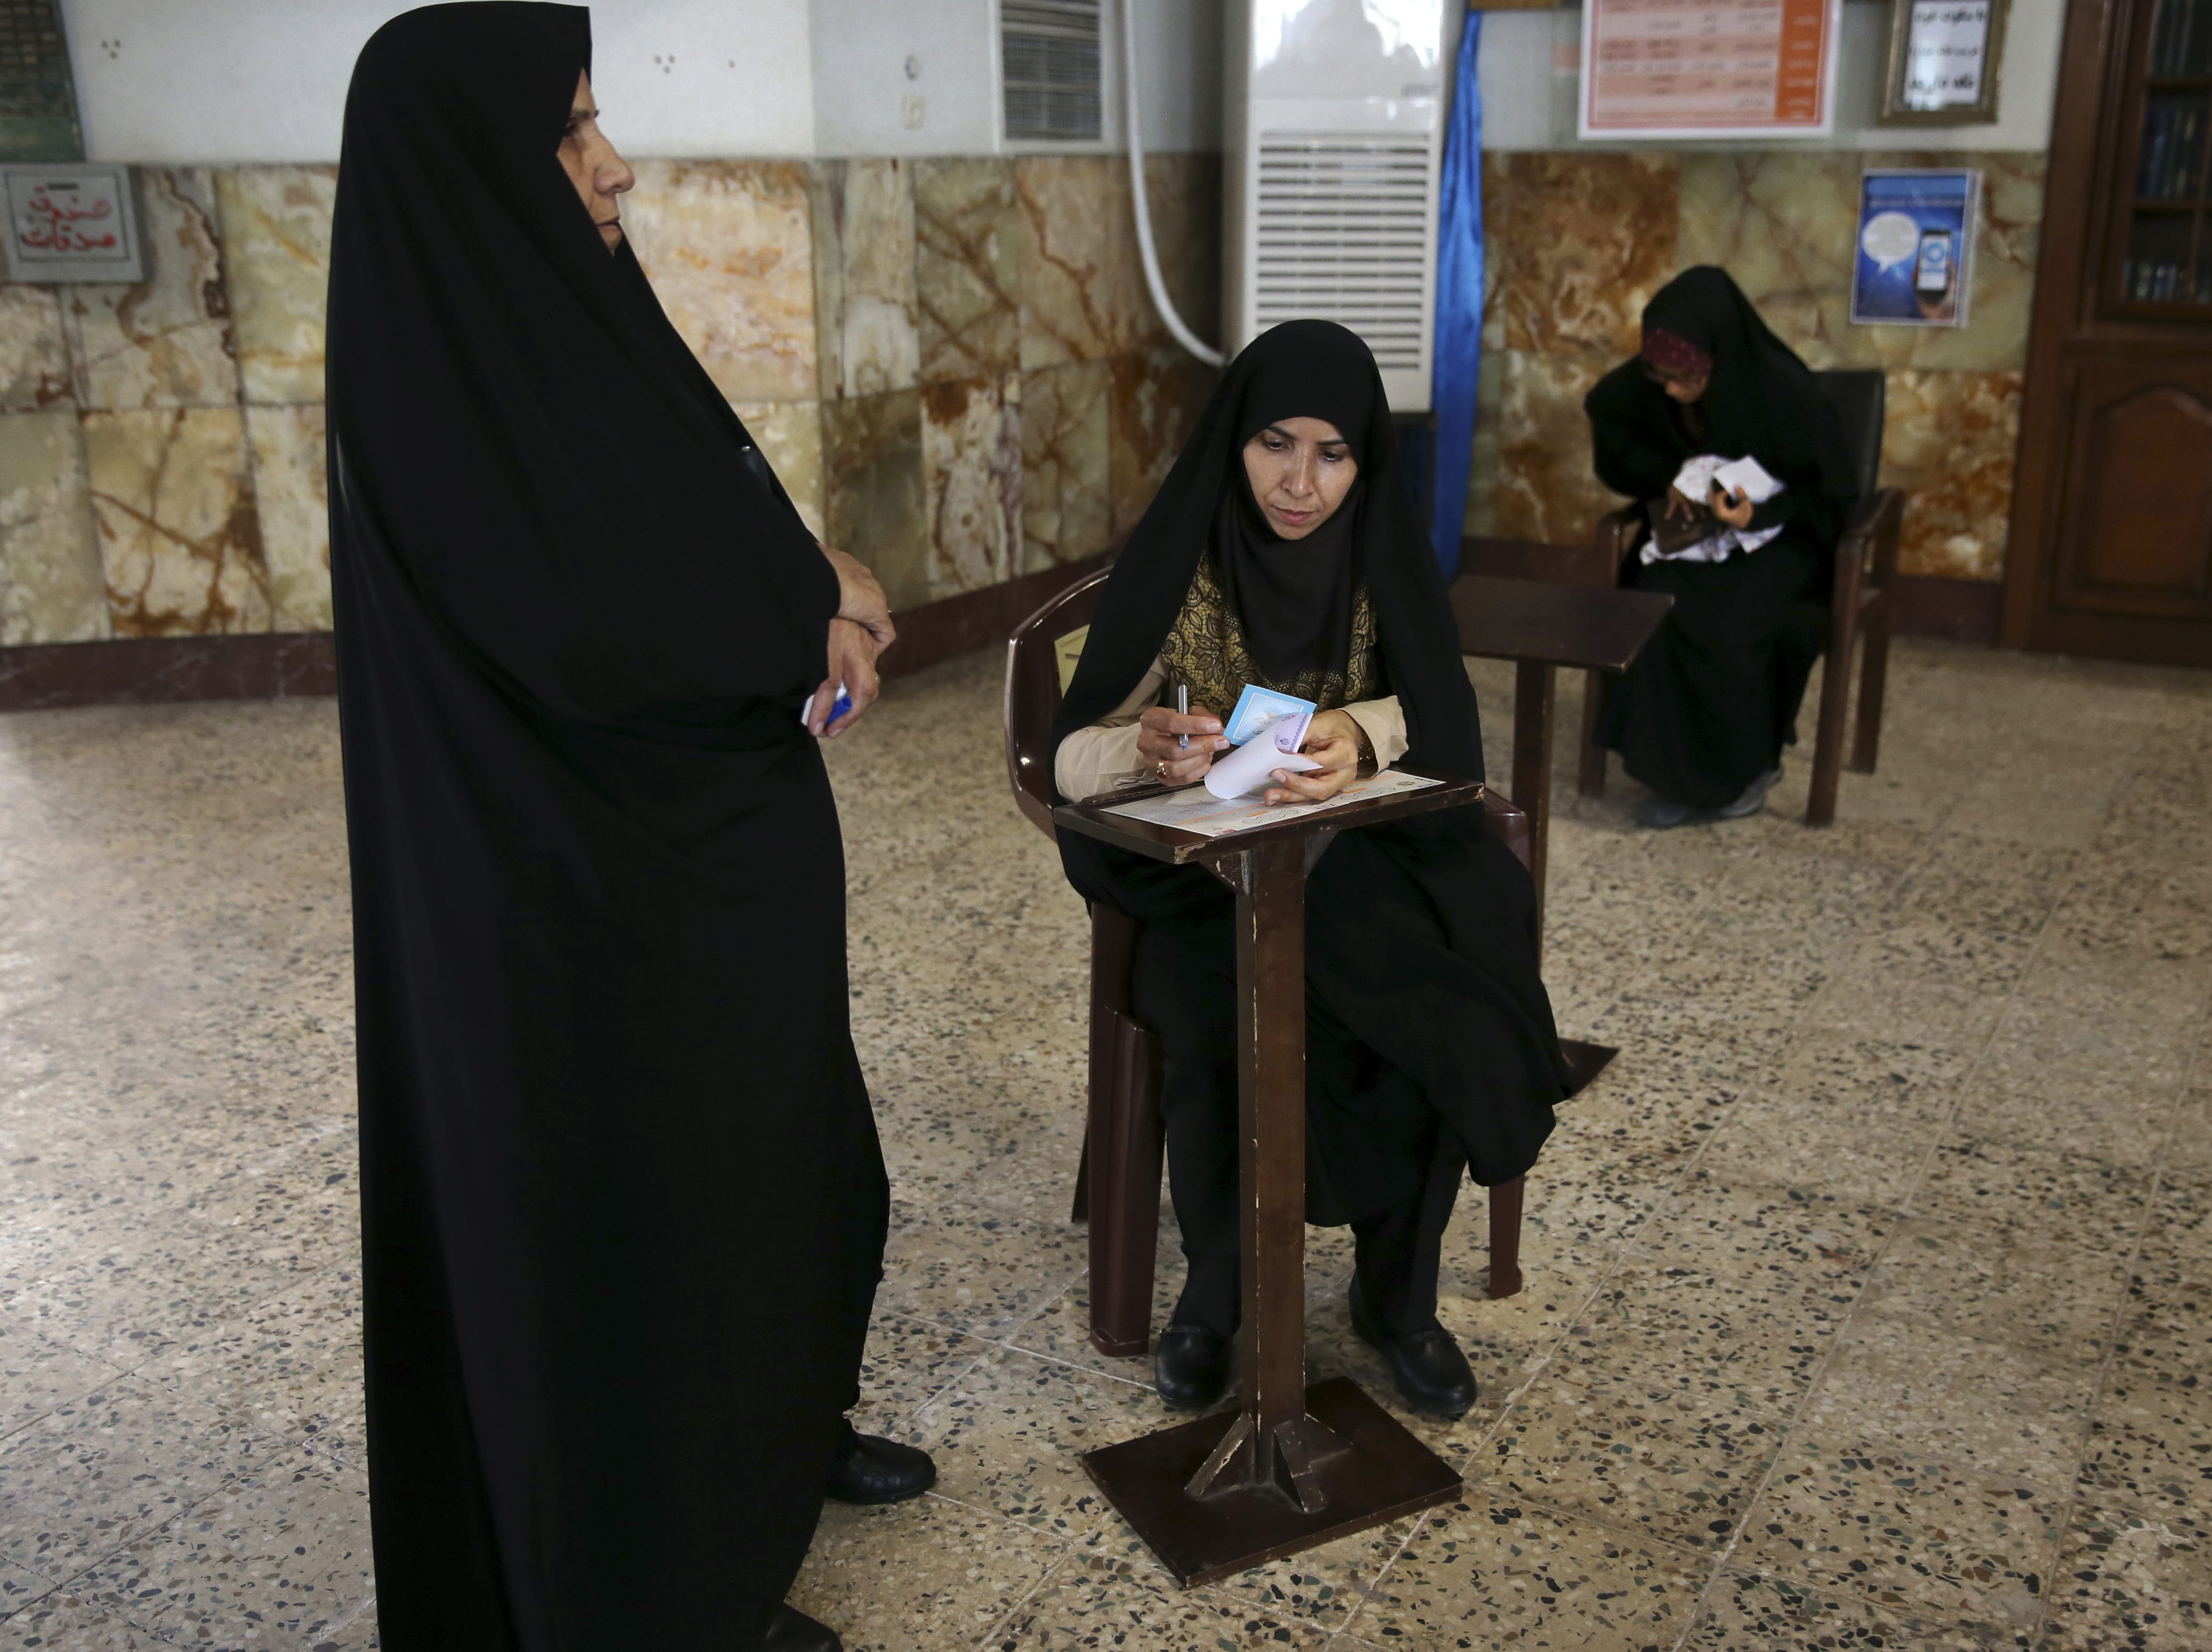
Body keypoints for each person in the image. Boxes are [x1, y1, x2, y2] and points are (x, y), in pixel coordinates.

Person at [327, 9, 926, 1649]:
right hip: (584, 925)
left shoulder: (556, 316)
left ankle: (776, 1457)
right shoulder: (444, 371)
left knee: (796, 1179)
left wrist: (811, 594)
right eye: (572, 130)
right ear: (480, 166)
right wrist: (803, 612)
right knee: (657, 1235)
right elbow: (599, 621)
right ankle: (670, 1591)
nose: (616, 160)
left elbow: (697, 497)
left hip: (696, 889)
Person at [1051, 320, 1571, 1420]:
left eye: (1332, 454)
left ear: (1366, 462)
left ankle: (1400, 1297)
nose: (1298, 482)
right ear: (1232, 441)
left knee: (1429, 984)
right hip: (1203, 875)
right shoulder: (1185, 554)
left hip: (1356, 859)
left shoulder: (1381, 557)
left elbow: (1442, 722)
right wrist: (1143, 745)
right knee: (1216, 1009)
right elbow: (1065, 748)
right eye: (1274, 444)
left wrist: (1357, 731)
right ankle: (1217, 1297)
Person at [1584, 267, 1861, 828]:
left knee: (1731, 621)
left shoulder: (1788, 395)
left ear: (1719, 356)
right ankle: (1670, 778)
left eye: (1685, 378)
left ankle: (1745, 770)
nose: (1669, 390)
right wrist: (1667, 475)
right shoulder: (1651, 383)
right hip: (1693, 543)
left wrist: (1757, 512)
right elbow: (1610, 424)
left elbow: (1831, 496)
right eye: (1659, 375)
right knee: (1653, 604)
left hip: (1783, 543)